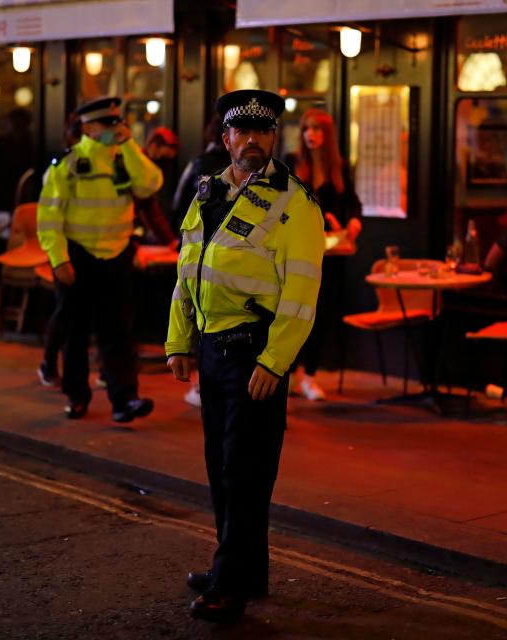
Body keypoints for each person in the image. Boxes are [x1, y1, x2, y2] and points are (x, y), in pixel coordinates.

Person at [166, 89, 324, 621]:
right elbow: (188, 270)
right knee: (220, 466)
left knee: (245, 471)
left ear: (274, 137)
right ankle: (242, 567)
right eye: (243, 131)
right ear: (225, 137)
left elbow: (302, 292)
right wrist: (179, 339)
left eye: (264, 132)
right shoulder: (209, 192)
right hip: (212, 349)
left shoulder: (293, 202)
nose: (253, 141)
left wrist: (275, 361)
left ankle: (230, 582)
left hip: (254, 352)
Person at [37, 96, 163, 423]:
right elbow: (49, 218)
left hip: (117, 254)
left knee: (118, 330)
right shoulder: (69, 164)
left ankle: (124, 400)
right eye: (108, 124)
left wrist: (131, 145)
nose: (115, 128)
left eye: (117, 122)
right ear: (88, 127)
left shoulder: (125, 158)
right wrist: (59, 259)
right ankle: (77, 396)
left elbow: (150, 184)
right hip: (78, 256)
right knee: (75, 332)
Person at [285, 108, 362, 400]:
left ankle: (310, 375)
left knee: (321, 314)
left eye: (317, 129)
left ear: (327, 135)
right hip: (299, 252)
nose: (311, 135)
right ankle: (289, 372)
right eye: (307, 129)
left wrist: (354, 222)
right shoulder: (292, 164)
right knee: (295, 312)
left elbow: (354, 203)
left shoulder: (339, 167)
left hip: (331, 253)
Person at [170, 115, 232, 408]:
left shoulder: (199, 164)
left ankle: (201, 384)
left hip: (199, 252)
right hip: (228, 259)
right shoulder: (246, 173)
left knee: (197, 312)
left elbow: (178, 202)